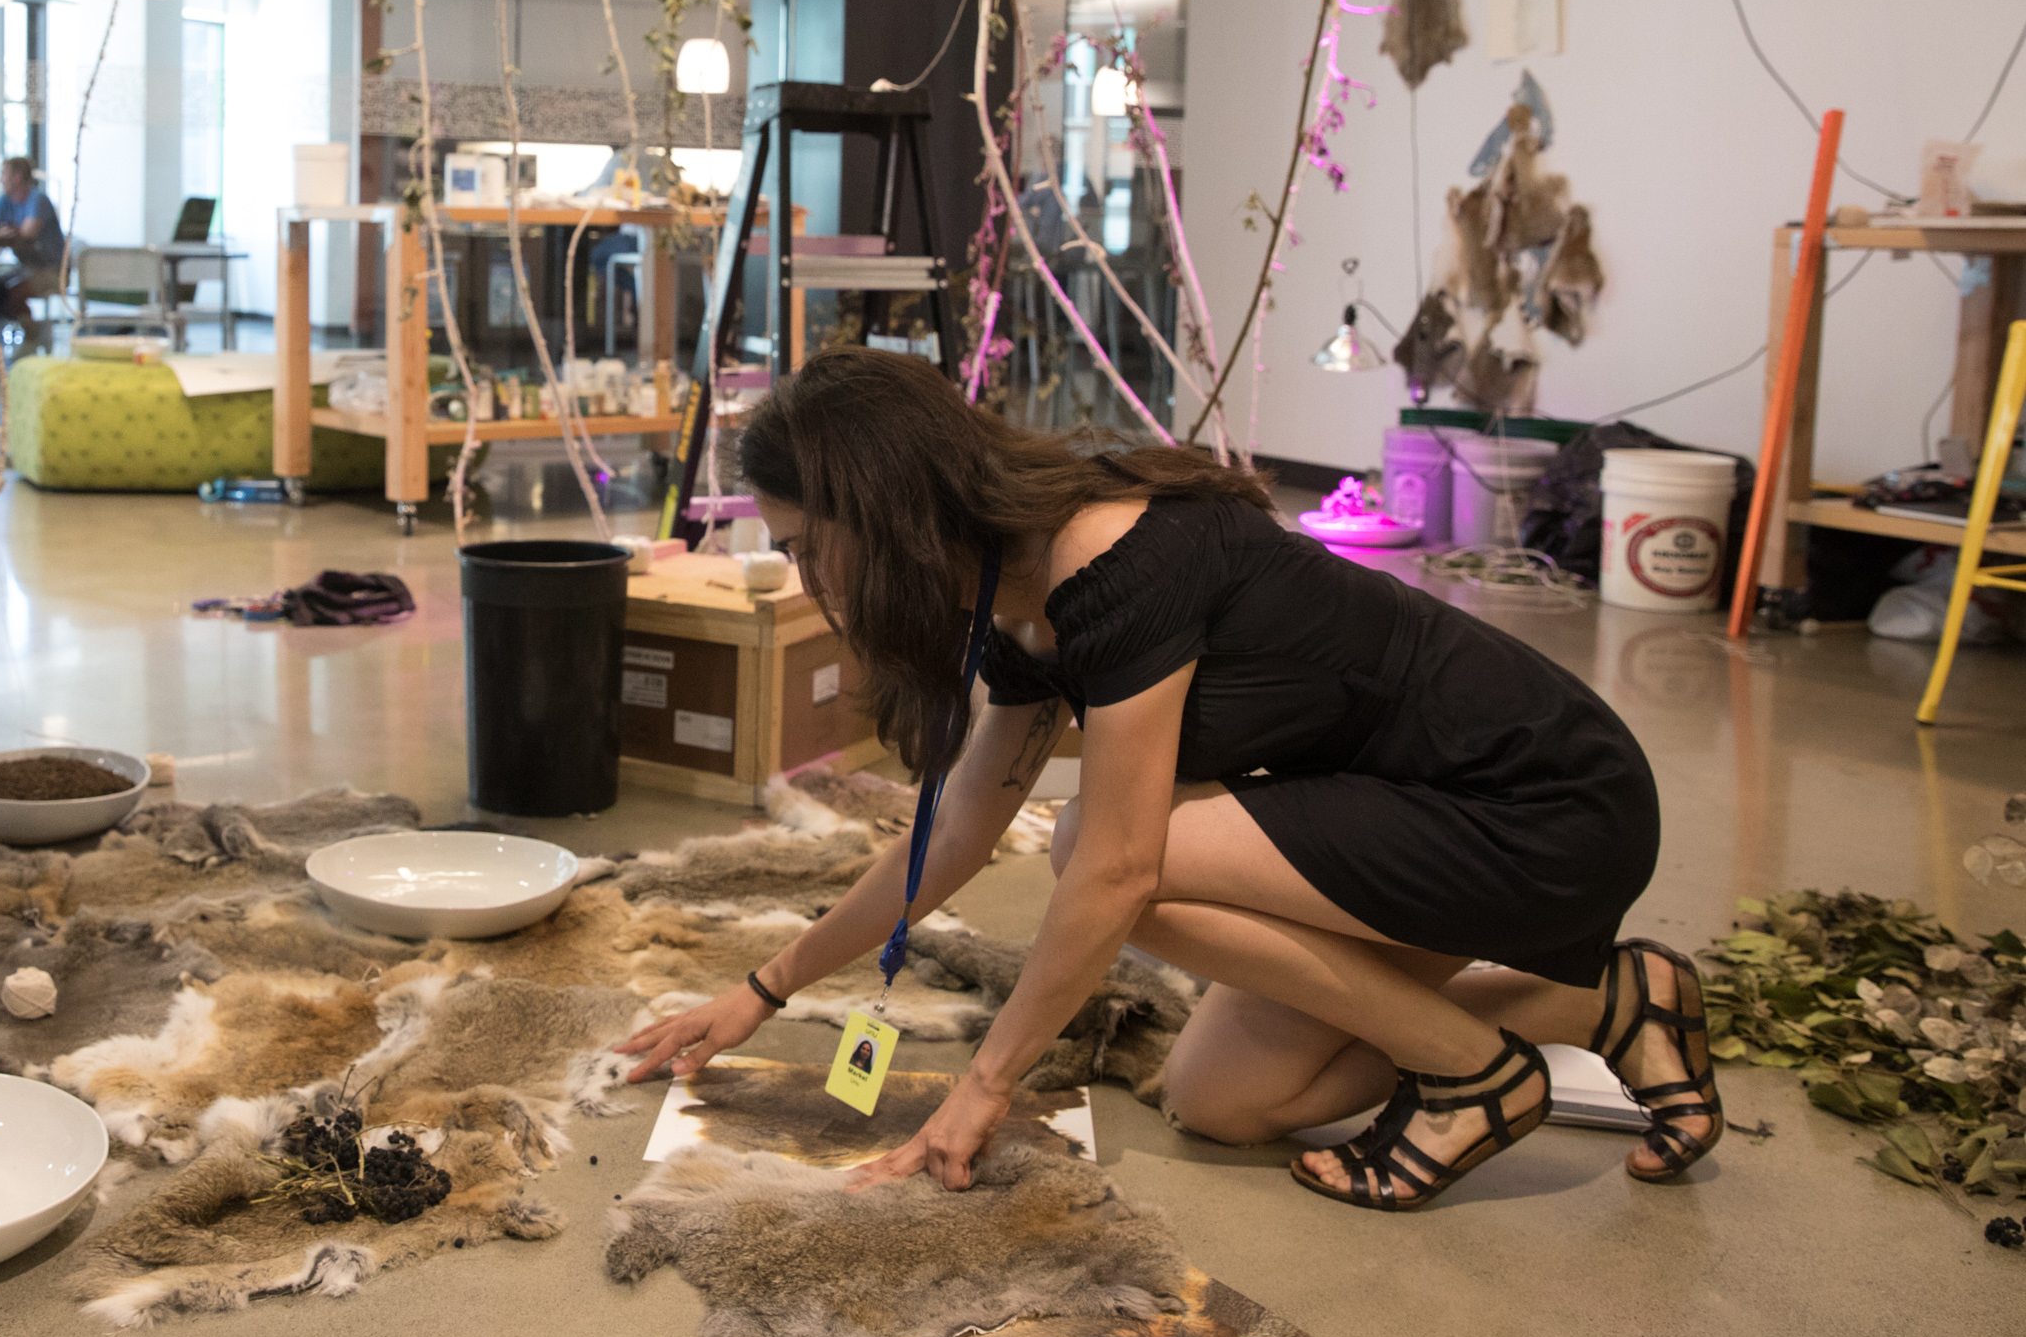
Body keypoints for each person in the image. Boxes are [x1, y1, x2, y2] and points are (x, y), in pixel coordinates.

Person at [612, 348, 1719, 1212]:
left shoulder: (1111, 555)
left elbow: (1120, 868)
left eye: (808, 542)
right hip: (1407, 820)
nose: (804, 573)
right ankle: (1607, 1000)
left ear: (887, 509)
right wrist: (766, 986)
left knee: (1098, 847)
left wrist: (987, 1082)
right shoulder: (1007, 586)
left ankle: (1476, 1072)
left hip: (1544, 803)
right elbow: (950, 831)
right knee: (1224, 1102)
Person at [0, 156, 63, 330]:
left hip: (51, 271)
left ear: (16, 177)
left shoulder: (38, 199)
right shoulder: (4, 200)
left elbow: (27, 233)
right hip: (24, 268)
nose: (0, 180)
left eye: (4, 174)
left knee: (11, 293)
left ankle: (33, 336)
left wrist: (3, 233)